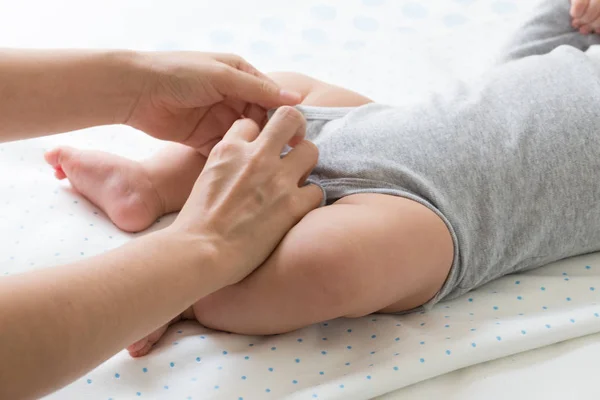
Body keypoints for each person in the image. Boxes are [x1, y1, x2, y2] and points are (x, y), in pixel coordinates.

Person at [46, 0, 600, 355]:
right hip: (365, 120)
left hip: (439, 214)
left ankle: (187, 295)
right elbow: (546, 39)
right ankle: (150, 184)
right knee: (269, 97)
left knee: (331, 268)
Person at [0, 49, 324, 399]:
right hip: (382, 202)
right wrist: (203, 247)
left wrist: (135, 87)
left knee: (271, 99)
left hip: (344, 116)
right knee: (338, 264)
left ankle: (149, 186)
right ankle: (188, 291)